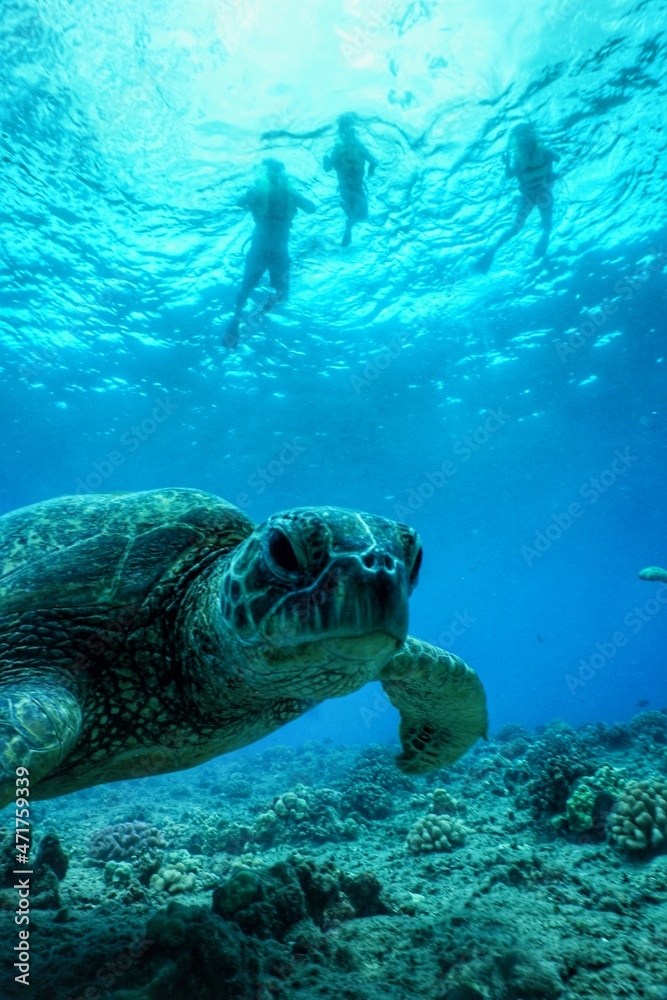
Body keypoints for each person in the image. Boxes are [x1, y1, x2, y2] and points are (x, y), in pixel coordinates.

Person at [225, 159, 316, 348]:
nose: (276, 175)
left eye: (278, 172)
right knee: (248, 288)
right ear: (268, 173)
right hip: (264, 248)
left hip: (273, 250)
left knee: (281, 293)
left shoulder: (288, 191)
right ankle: (236, 322)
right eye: (273, 172)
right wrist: (253, 193)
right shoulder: (260, 190)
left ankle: (256, 315)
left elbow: (311, 207)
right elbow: (239, 202)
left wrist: (289, 192)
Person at [475, 123, 561, 274]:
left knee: (519, 229)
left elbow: (509, 175)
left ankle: (491, 253)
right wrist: (507, 164)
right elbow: (558, 158)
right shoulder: (535, 154)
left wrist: (507, 164)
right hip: (540, 195)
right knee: (537, 227)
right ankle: (491, 253)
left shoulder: (524, 157)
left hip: (532, 196)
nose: (525, 139)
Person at [323, 113, 378, 246]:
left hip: (346, 186)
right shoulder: (359, 146)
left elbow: (327, 168)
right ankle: (349, 223)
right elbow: (374, 161)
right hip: (355, 186)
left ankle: (349, 221)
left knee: (359, 212)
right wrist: (371, 169)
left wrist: (326, 159)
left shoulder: (338, 148)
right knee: (362, 213)